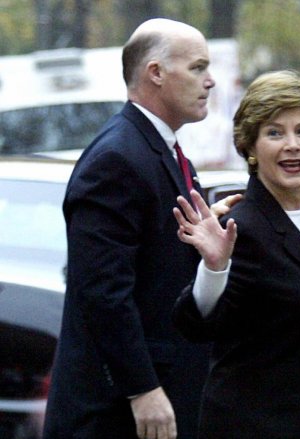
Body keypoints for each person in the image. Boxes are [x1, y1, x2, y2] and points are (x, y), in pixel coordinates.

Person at [44, 18, 216, 439]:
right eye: (197, 67)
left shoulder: (161, 150)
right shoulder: (117, 158)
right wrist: (142, 388)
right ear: (155, 73)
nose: (210, 81)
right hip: (116, 413)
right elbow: (103, 290)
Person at [171, 70, 300, 438]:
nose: (292, 145)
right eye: (275, 133)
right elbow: (195, 324)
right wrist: (214, 267)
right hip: (254, 426)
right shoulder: (242, 227)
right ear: (250, 147)